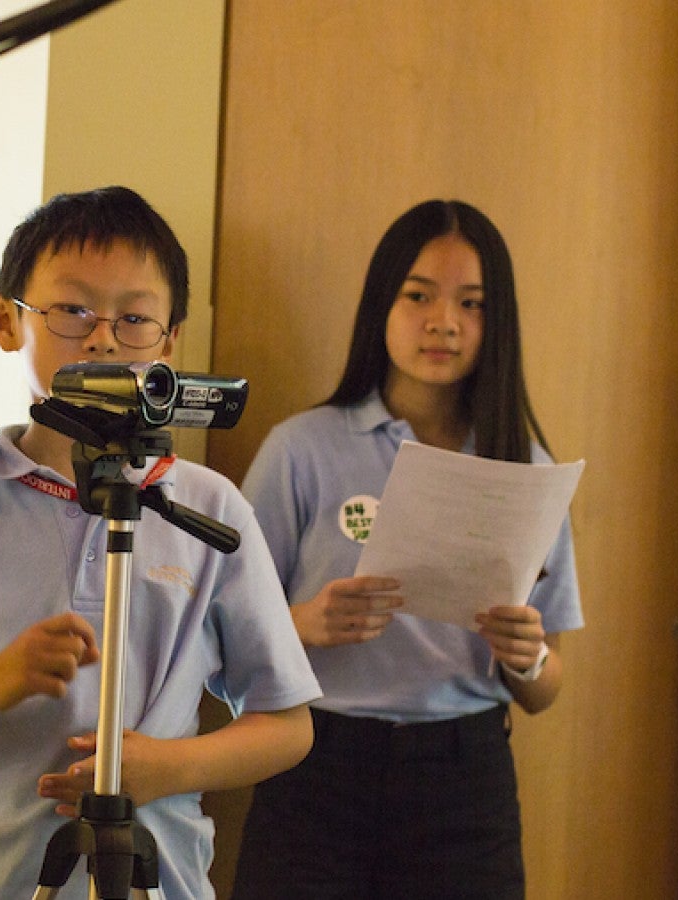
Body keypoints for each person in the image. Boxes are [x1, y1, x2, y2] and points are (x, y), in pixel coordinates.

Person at [0, 186, 319, 900]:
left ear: (169, 341)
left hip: (154, 879)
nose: (103, 338)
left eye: (134, 318)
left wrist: (166, 768)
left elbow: (287, 724)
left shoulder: (207, 506)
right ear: (5, 320)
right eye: (72, 310)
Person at [229, 199, 584, 899]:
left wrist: (528, 654)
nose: (443, 321)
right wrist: (304, 625)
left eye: (471, 303)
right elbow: (217, 635)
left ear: (497, 320)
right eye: (418, 294)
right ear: (381, 302)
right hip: (314, 761)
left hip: (464, 776)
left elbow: (546, 690)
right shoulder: (303, 449)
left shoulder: (525, 466)